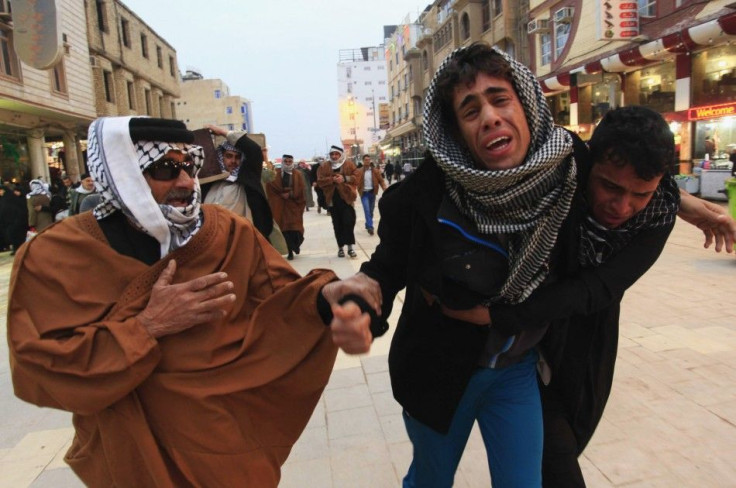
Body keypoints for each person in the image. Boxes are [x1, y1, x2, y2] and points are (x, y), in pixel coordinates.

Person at [330, 43, 736, 488]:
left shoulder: (566, 166)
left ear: (525, 105)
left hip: (517, 372)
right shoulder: (425, 195)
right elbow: (384, 270)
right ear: (457, 131)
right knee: (430, 479)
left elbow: (640, 182)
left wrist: (686, 204)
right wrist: (359, 303)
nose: (489, 117)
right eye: (470, 110)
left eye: (500, 99)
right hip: (438, 371)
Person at [6, 116, 382, 488]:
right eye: (166, 169)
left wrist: (326, 297)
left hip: (226, 445)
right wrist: (147, 326)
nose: (186, 182)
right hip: (131, 452)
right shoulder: (55, 255)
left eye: (189, 166)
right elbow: (40, 367)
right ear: (124, 173)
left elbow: (282, 298)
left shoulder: (226, 231)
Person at [199, 124, 274, 242]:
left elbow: (253, 150)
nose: (233, 161)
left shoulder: (246, 179)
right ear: (221, 157)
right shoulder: (208, 183)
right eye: (228, 156)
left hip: (243, 242)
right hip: (213, 244)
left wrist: (223, 132)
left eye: (237, 157)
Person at [317, 145, 359, 258]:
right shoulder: (325, 166)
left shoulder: (349, 164)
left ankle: (350, 248)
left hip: (347, 198)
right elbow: (320, 181)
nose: (334, 156)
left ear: (341, 155)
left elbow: (357, 177)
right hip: (332, 200)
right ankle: (340, 248)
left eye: (336, 154)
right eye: (332, 154)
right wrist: (332, 180)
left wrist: (344, 179)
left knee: (348, 222)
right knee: (337, 224)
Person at [267, 154, 306, 260]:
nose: (288, 163)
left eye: (290, 162)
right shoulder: (276, 174)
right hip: (281, 206)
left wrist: (291, 194)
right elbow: (271, 187)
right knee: (285, 230)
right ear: (283, 162)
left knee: (296, 229)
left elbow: (301, 190)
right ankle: (289, 251)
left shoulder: (297, 174)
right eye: (286, 161)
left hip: (294, 206)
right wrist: (281, 195)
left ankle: (295, 246)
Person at [354, 154, 387, 235]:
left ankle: (367, 223)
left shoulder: (375, 171)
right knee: (367, 210)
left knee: (371, 211)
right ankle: (370, 227)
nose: (367, 161)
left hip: (372, 193)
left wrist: (385, 189)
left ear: (370, 161)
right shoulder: (359, 171)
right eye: (365, 160)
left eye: (368, 160)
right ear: (363, 161)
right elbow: (354, 182)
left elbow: (381, 181)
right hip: (364, 194)